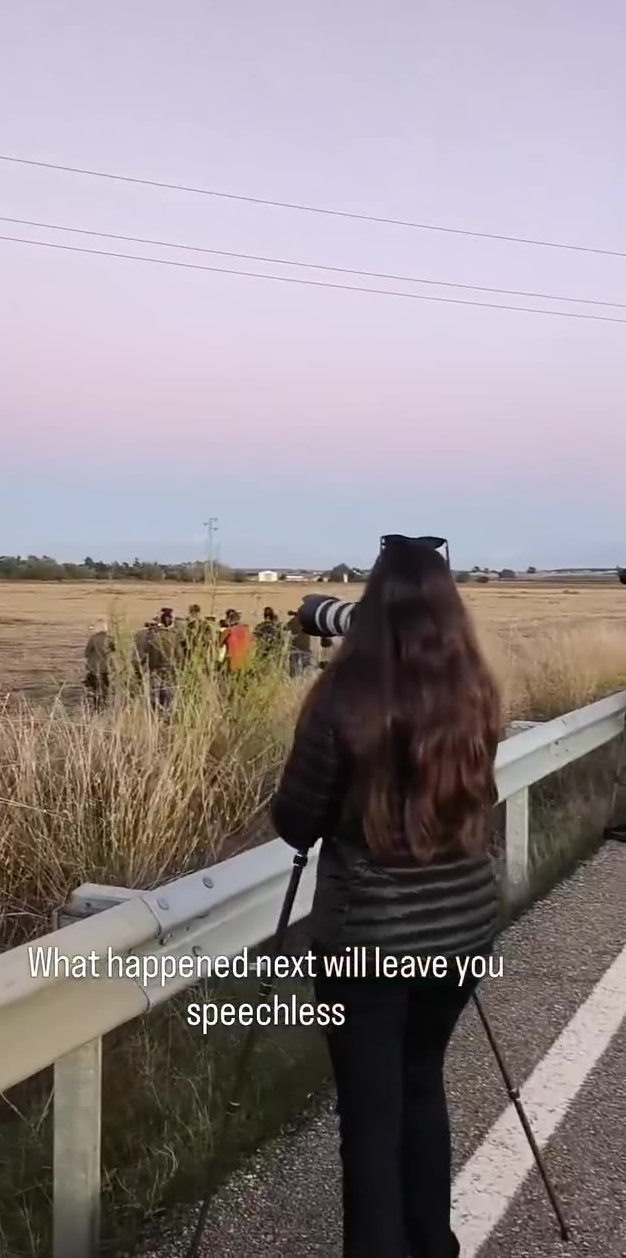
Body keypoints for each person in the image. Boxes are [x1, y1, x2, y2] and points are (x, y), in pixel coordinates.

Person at [271, 536, 502, 1258]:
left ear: (367, 609)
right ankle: (433, 1244)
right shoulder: (475, 689)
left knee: (371, 1120)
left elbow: (297, 821)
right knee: (422, 1084)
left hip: (367, 942)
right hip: (463, 931)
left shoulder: (343, 695)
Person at [135, 614, 186, 709]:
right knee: (169, 699)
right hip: (170, 671)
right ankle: (167, 719)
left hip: (155, 671)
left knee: (155, 699)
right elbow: (180, 656)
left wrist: (140, 671)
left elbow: (143, 656)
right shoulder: (173, 637)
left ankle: (156, 719)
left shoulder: (150, 638)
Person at [83, 620, 114, 711]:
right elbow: (115, 650)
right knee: (106, 689)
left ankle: (96, 707)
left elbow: (86, 653)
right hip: (106, 668)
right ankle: (105, 705)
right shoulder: (110, 638)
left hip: (94, 668)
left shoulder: (93, 638)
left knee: (94, 690)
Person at [284, 610, 313, 676]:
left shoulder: (293, 621)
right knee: (306, 667)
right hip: (305, 647)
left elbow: (285, 628)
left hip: (295, 646)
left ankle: (293, 679)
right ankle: (303, 679)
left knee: (293, 667)